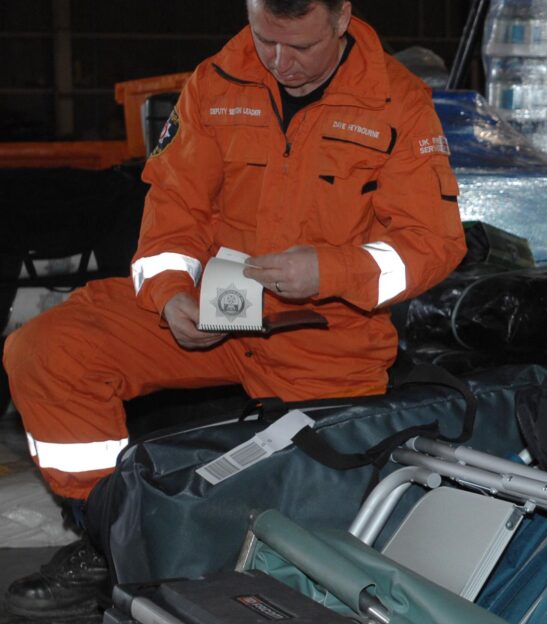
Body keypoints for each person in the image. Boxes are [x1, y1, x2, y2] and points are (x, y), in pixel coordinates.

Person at [2, 0, 465, 617]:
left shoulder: (396, 103)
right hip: (214, 311)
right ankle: (105, 539)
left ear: (342, 17)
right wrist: (170, 298)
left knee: (308, 531)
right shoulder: (216, 83)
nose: (280, 62)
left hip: (324, 332)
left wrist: (327, 270)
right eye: (264, 39)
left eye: (300, 47)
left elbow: (432, 244)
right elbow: (172, 216)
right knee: (48, 349)